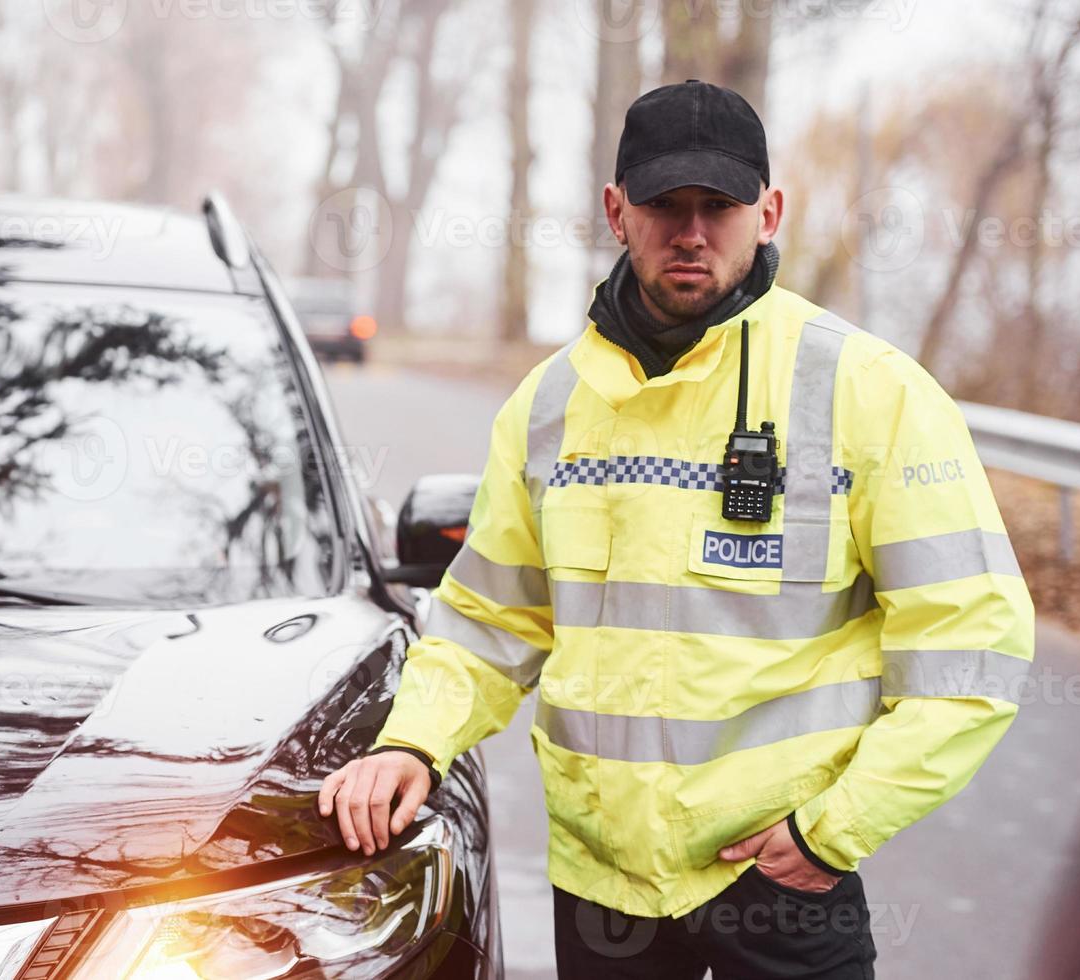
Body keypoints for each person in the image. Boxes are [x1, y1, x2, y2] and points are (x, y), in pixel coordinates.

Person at [319, 79, 1035, 978]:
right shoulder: (546, 409)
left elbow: (970, 646)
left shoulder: (868, 391)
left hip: (786, 878)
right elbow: (489, 622)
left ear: (768, 212)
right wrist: (412, 741)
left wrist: (833, 830)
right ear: (616, 212)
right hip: (602, 887)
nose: (691, 232)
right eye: (665, 205)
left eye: (719, 206)